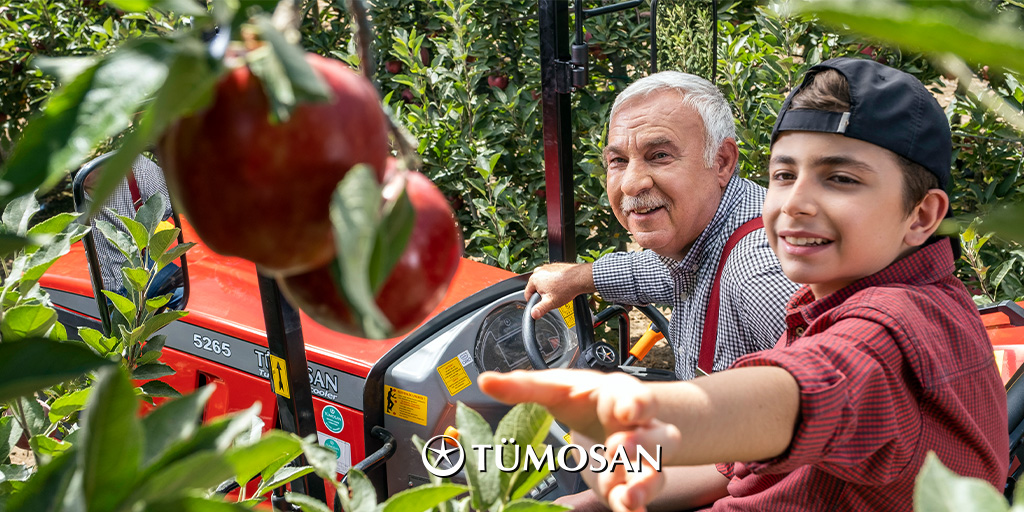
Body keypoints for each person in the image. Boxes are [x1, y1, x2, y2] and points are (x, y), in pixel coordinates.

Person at [481, 57, 1008, 511]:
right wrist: (582, 277)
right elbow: (669, 274)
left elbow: (808, 390)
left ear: (920, 216)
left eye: (841, 178)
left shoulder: (860, 322)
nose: (796, 203)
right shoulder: (822, 283)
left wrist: (625, 418)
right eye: (785, 174)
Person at [529, 71, 798, 381]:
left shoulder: (756, 273)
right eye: (618, 160)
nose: (631, 184)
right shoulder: (702, 238)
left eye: (659, 155)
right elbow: (662, 271)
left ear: (721, 161)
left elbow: (848, 405)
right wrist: (578, 278)